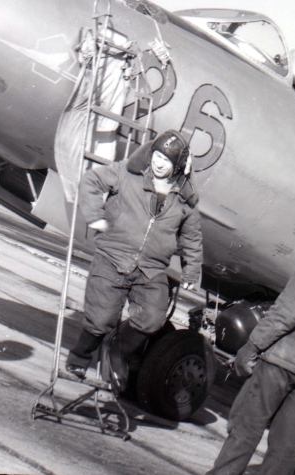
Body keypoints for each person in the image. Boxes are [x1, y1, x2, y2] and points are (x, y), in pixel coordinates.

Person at [66, 130, 203, 392]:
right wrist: (94, 214)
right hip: (113, 256)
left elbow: (192, 237)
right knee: (101, 318)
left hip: (150, 270)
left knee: (153, 318)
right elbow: (92, 181)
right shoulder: (126, 174)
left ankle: (117, 350)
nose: (159, 163)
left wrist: (191, 270)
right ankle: (79, 358)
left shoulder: (185, 201)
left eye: (167, 160)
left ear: (178, 167)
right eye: (157, 155)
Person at [206, 245, 295, 475]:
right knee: (286, 443)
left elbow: (287, 311)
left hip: (281, 361)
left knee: (245, 429)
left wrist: (253, 345)